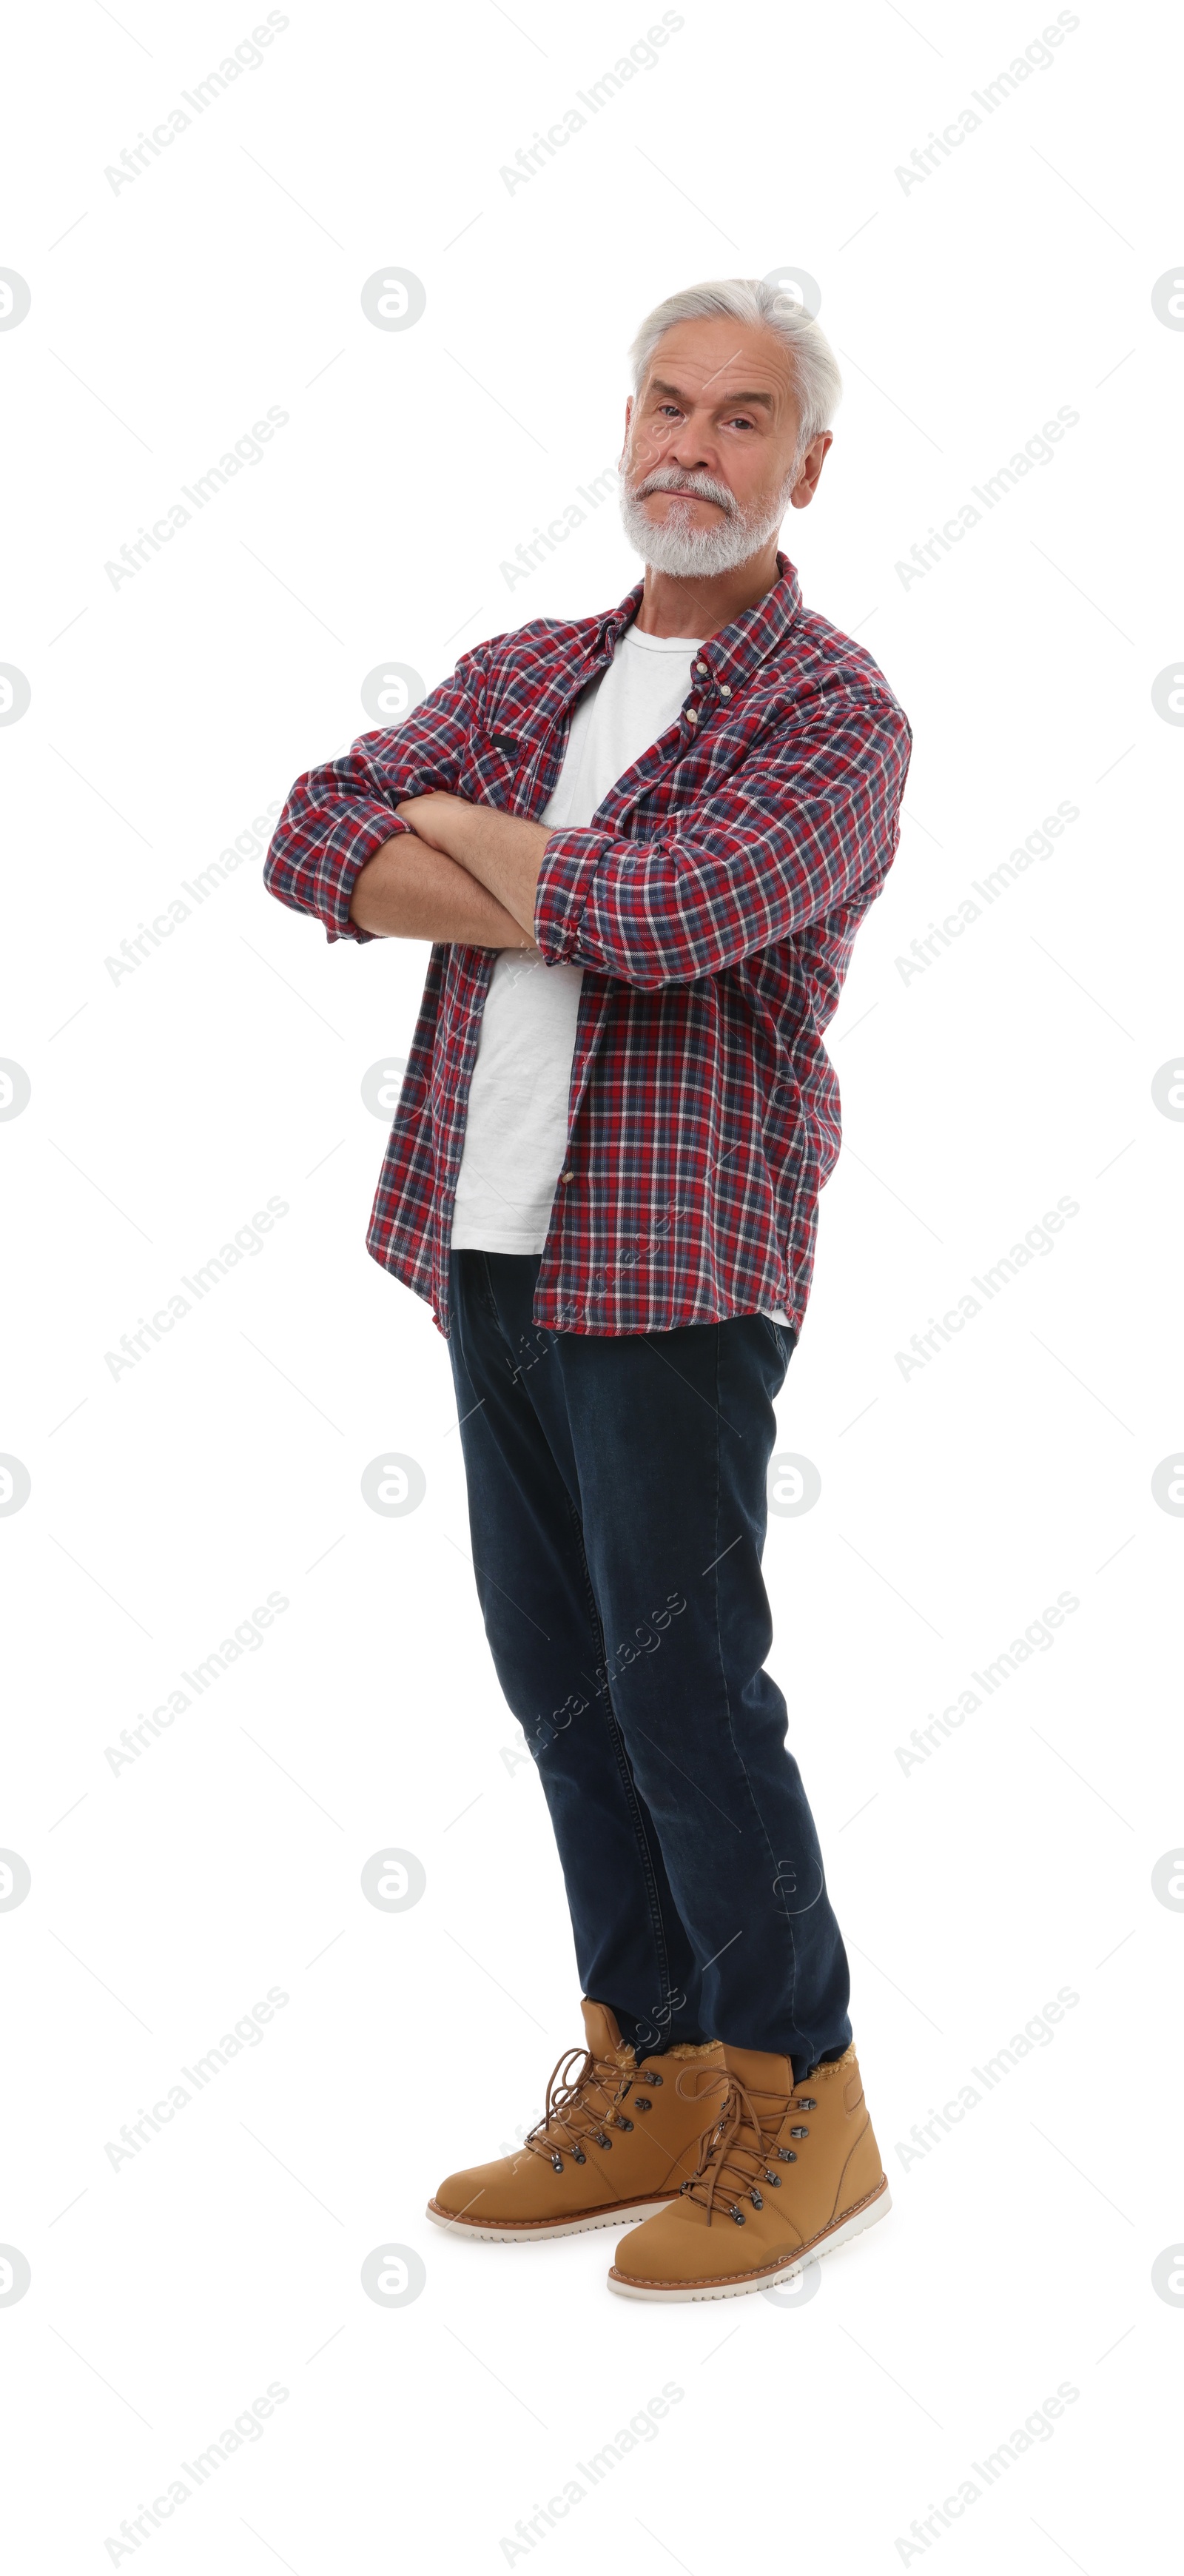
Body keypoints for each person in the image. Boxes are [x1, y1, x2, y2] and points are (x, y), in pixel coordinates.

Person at [264, 275, 912, 2301]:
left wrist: (448, 842)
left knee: (685, 1691)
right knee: (559, 1682)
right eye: (665, 405)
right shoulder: (530, 668)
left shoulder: (832, 714)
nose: (689, 452)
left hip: (679, 1272)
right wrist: (506, 843)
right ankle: (651, 2064)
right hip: (490, 1245)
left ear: (804, 466)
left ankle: (800, 2089)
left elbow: (674, 911)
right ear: (621, 419)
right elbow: (305, 836)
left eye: (740, 422)